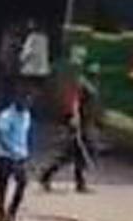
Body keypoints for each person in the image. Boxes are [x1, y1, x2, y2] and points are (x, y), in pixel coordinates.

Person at [38, 60, 97, 193]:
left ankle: (80, 183)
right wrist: (75, 118)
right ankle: (46, 175)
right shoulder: (82, 85)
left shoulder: (90, 85)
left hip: (86, 123)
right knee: (68, 154)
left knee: (78, 154)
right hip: (79, 124)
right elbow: (75, 102)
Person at [0, 83, 34, 221]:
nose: (28, 104)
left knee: (22, 183)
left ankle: (11, 214)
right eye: (26, 101)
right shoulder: (6, 116)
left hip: (21, 156)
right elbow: (0, 137)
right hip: (6, 157)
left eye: (30, 102)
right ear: (18, 99)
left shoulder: (27, 115)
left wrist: (25, 154)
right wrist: (12, 151)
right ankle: (0, 215)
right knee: (2, 187)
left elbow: (25, 136)